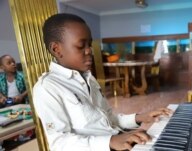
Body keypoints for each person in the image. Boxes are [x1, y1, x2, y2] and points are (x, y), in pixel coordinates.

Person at [33, 13, 173, 151]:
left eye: (89, 44)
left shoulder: (89, 78)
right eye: (81, 46)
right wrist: (110, 142)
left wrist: (141, 117)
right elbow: (59, 143)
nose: (89, 51)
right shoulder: (47, 88)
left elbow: (109, 120)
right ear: (56, 49)